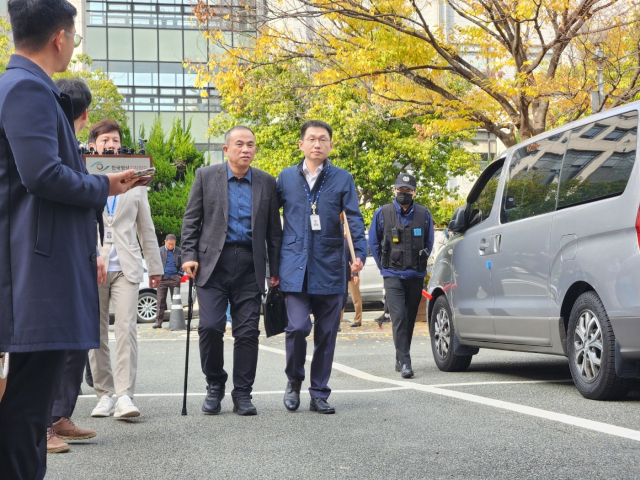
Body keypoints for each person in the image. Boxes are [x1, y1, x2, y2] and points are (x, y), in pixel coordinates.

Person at [0, 0, 143, 476]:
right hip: (36, 270)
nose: (73, 44)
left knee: (26, 403)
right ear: (59, 38)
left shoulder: (23, 85)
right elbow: (42, 175)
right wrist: (105, 185)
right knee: (27, 407)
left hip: (31, 262)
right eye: (74, 37)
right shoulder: (28, 88)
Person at [181, 126, 282, 416]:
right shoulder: (205, 176)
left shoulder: (266, 182)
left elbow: (274, 231)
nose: (246, 149)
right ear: (226, 149)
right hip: (212, 265)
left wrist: (275, 270)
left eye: (251, 144)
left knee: (248, 332)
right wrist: (188, 255)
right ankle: (215, 384)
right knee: (210, 326)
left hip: (250, 265)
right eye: (239, 144)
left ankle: (243, 393)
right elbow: (191, 220)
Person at [277, 120, 366, 414]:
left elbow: (354, 218)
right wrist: (271, 265)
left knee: (327, 334)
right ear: (301, 144)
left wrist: (359, 254)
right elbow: (269, 220)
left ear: (330, 145)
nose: (317, 144)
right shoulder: (285, 178)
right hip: (295, 266)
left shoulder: (342, 178)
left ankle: (319, 393)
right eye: (312, 139)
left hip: (330, 265)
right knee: (297, 327)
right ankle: (294, 381)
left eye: (323, 139)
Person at [87, 119, 163, 420]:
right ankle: (104, 395)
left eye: (116, 140)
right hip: (92, 265)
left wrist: (154, 266)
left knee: (126, 329)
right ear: (94, 146)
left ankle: (124, 396)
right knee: (95, 333)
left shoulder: (136, 181)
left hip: (127, 266)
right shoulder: (85, 177)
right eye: (105, 140)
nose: (111, 144)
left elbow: (146, 227)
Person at [45, 78, 102, 454]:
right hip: (51, 257)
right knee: (48, 345)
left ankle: (59, 415)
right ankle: (40, 425)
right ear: (83, 115)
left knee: (77, 339)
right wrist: (104, 184)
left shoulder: (78, 152)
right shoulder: (49, 148)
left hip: (80, 254)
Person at [369, 173, 434, 378]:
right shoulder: (382, 213)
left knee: (409, 319)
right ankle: (406, 362)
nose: (403, 193)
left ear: (414, 192)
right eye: (400, 190)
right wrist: (383, 267)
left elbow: (429, 242)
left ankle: (400, 358)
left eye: (408, 190)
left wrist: (421, 261)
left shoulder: (424, 214)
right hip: (392, 275)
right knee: (398, 318)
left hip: (415, 274)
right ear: (394, 190)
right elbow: (373, 242)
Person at [153, 234, 183, 329]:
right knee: (160, 300)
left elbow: (182, 264)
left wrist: (179, 275)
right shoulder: (159, 251)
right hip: (162, 279)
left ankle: (176, 322)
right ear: (165, 242)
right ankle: (158, 322)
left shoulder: (179, 251)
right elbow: (155, 263)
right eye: (169, 244)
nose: (171, 246)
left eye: (173, 244)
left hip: (175, 278)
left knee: (176, 301)